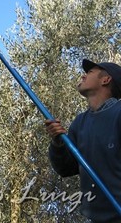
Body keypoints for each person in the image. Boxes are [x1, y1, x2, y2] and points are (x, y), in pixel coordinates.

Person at [45, 59, 121, 223]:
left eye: (90, 72)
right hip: (95, 218)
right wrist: (58, 143)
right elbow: (66, 168)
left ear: (105, 80)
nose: (83, 75)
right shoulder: (79, 123)